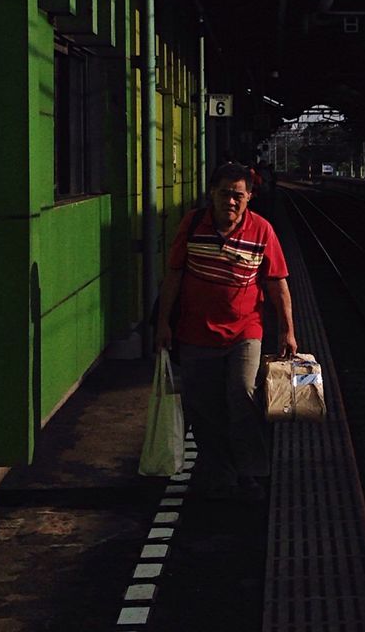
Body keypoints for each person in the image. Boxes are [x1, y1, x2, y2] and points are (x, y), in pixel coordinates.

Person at [156, 162, 297, 500]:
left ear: (249, 197)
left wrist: (287, 331)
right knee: (203, 407)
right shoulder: (192, 225)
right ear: (212, 194)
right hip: (194, 333)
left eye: (238, 196)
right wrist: (163, 323)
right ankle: (220, 472)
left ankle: (250, 472)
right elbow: (174, 276)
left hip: (245, 332)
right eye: (224, 194)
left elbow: (278, 284)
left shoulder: (262, 231)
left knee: (243, 396)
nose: (230, 202)